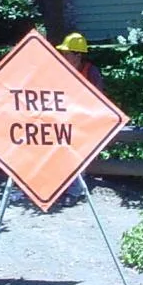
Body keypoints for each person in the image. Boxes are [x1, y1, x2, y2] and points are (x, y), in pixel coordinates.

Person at [56, 31, 104, 206]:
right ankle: (62, 187)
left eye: (66, 53)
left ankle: (74, 191)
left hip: (84, 121)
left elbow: (98, 99)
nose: (63, 56)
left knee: (77, 153)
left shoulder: (91, 71)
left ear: (77, 55)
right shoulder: (61, 71)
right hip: (64, 119)